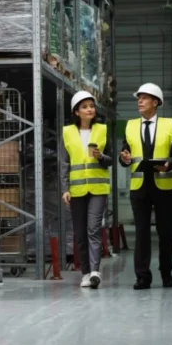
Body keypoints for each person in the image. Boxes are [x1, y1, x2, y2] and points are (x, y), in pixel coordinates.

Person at [119, 83, 172, 290]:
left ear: (156, 102)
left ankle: (166, 273)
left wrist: (169, 164)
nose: (140, 101)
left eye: (145, 98)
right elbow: (125, 156)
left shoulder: (169, 124)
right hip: (139, 187)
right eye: (139, 98)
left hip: (163, 186)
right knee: (141, 233)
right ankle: (142, 277)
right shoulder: (129, 126)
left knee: (166, 233)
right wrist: (125, 158)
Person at [61, 91, 113, 289]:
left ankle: (95, 272)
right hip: (76, 190)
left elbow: (110, 160)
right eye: (84, 107)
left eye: (91, 106)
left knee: (93, 229)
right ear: (76, 112)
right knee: (80, 232)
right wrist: (65, 188)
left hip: (98, 188)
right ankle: (84, 272)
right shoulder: (67, 133)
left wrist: (101, 157)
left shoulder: (102, 130)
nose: (89, 109)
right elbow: (64, 163)